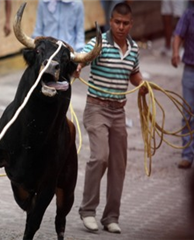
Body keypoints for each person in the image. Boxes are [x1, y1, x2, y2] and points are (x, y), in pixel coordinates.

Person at [74, 2, 147, 234]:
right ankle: (87, 211)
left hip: (119, 112)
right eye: (117, 22)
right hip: (96, 109)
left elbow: (134, 74)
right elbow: (83, 57)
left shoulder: (133, 48)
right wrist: (77, 65)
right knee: (100, 157)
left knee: (118, 165)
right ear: (111, 20)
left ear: (131, 24)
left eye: (125, 23)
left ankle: (111, 216)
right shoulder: (100, 43)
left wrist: (143, 85)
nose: (121, 27)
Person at [171, 5, 194, 169]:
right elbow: (178, 34)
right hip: (190, 70)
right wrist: (175, 52)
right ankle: (187, 154)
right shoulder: (189, 14)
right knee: (188, 113)